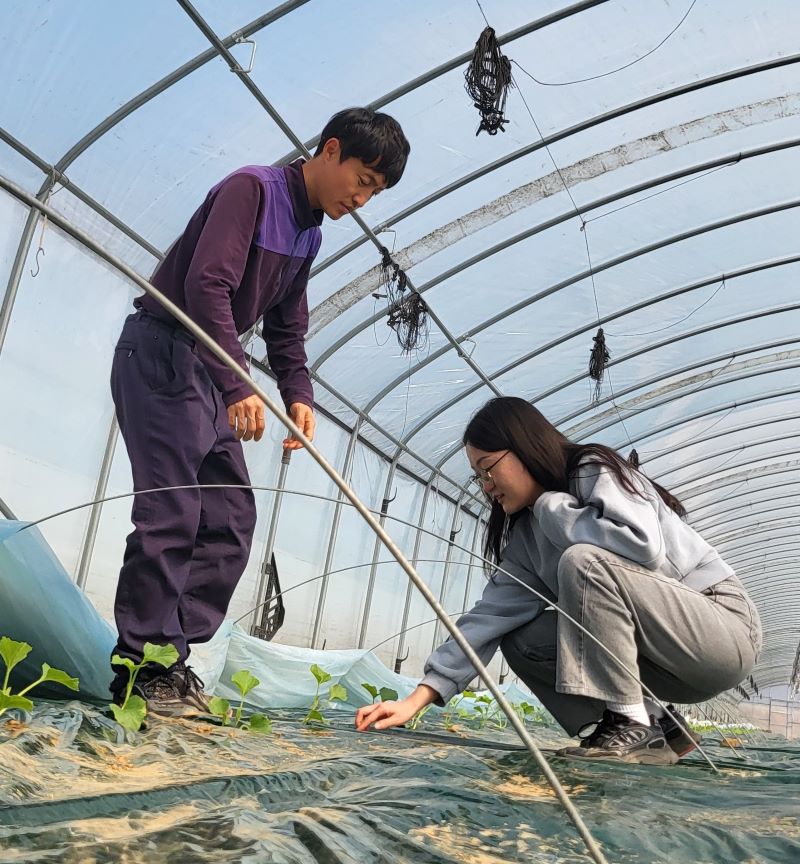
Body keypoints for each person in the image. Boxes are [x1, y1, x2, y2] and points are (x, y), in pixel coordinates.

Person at [110, 108, 410, 714]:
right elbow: (206, 287)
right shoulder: (253, 189)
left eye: (375, 191)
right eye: (363, 179)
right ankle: (140, 667)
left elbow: (287, 328)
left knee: (228, 522)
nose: (362, 198)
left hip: (209, 369)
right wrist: (239, 384)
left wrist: (299, 394)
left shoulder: (309, 232)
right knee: (173, 511)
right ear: (330, 151)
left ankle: (169, 661)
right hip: (167, 351)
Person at [356, 397, 762, 764]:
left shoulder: (593, 471)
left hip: (720, 631)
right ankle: (657, 728)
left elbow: (642, 547)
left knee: (582, 562)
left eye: (488, 469)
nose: (486, 486)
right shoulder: (525, 540)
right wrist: (417, 699)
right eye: (478, 478)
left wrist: (554, 508)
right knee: (521, 638)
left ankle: (631, 723)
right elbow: (488, 618)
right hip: (663, 663)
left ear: (523, 447)